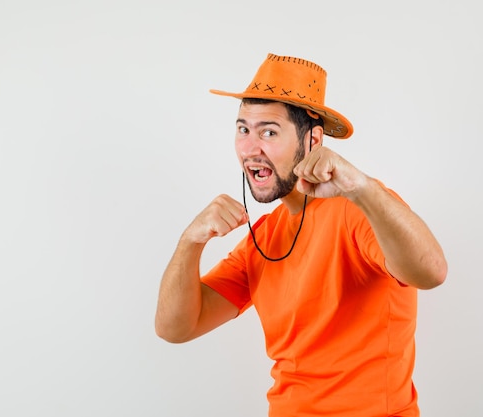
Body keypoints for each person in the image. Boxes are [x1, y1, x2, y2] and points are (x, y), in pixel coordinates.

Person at [155, 53, 447, 417]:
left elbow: (431, 271)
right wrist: (190, 241)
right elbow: (175, 328)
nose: (250, 148)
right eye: (243, 129)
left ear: (313, 141)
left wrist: (361, 187)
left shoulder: (360, 208)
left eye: (269, 132)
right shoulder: (262, 239)